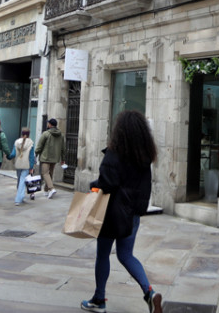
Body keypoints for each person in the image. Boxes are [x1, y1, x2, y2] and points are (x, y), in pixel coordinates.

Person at [80, 110, 162, 313]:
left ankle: (99, 299)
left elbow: (107, 183)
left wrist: (93, 185)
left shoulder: (114, 153)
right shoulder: (145, 157)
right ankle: (149, 292)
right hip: (132, 213)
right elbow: (145, 188)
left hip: (111, 213)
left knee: (103, 254)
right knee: (126, 255)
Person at [35, 118, 64, 199]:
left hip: (45, 157)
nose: (47, 124)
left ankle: (51, 189)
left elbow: (40, 145)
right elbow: (63, 148)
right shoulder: (61, 135)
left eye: (48, 123)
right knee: (50, 173)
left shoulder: (46, 134)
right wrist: (63, 159)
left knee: (45, 173)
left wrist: (36, 154)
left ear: (50, 124)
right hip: (55, 158)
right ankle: (46, 190)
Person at [11, 128, 36, 205]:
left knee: (19, 180)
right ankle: (19, 199)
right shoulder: (31, 143)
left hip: (18, 164)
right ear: (29, 134)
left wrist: (8, 156)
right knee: (22, 181)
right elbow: (31, 157)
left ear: (21, 134)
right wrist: (31, 167)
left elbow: (13, 154)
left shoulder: (17, 142)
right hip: (26, 164)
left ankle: (20, 196)